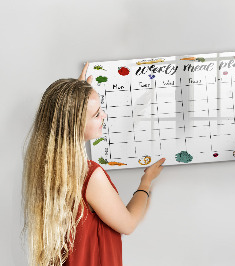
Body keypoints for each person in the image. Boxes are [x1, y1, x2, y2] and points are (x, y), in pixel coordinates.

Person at [22, 63, 166, 266]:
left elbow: (65, 117)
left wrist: (77, 95)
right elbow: (128, 223)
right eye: (97, 114)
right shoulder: (90, 176)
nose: (104, 117)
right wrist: (146, 182)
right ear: (75, 124)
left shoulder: (44, 166)